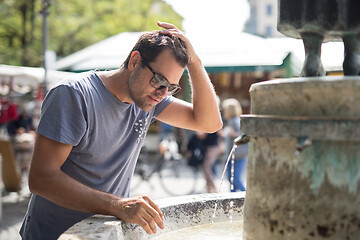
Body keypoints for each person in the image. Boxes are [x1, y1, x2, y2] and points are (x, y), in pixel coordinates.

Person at [20, 21, 222, 240]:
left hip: (104, 233)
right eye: (159, 80)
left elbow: (209, 123)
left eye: (170, 87)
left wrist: (195, 62)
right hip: (54, 234)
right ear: (135, 61)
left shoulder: (149, 99)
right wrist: (117, 205)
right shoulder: (74, 94)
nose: (162, 93)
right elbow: (41, 178)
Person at [222, 98, 248, 192]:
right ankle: (233, 201)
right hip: (233, 155)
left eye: (225, 110)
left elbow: (244, 136)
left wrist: (233, 133)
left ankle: (245, 196)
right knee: (231, 181)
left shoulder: (235, 121)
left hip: (238, 155)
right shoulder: (232, 121)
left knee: (235, 180)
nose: (223, 112)